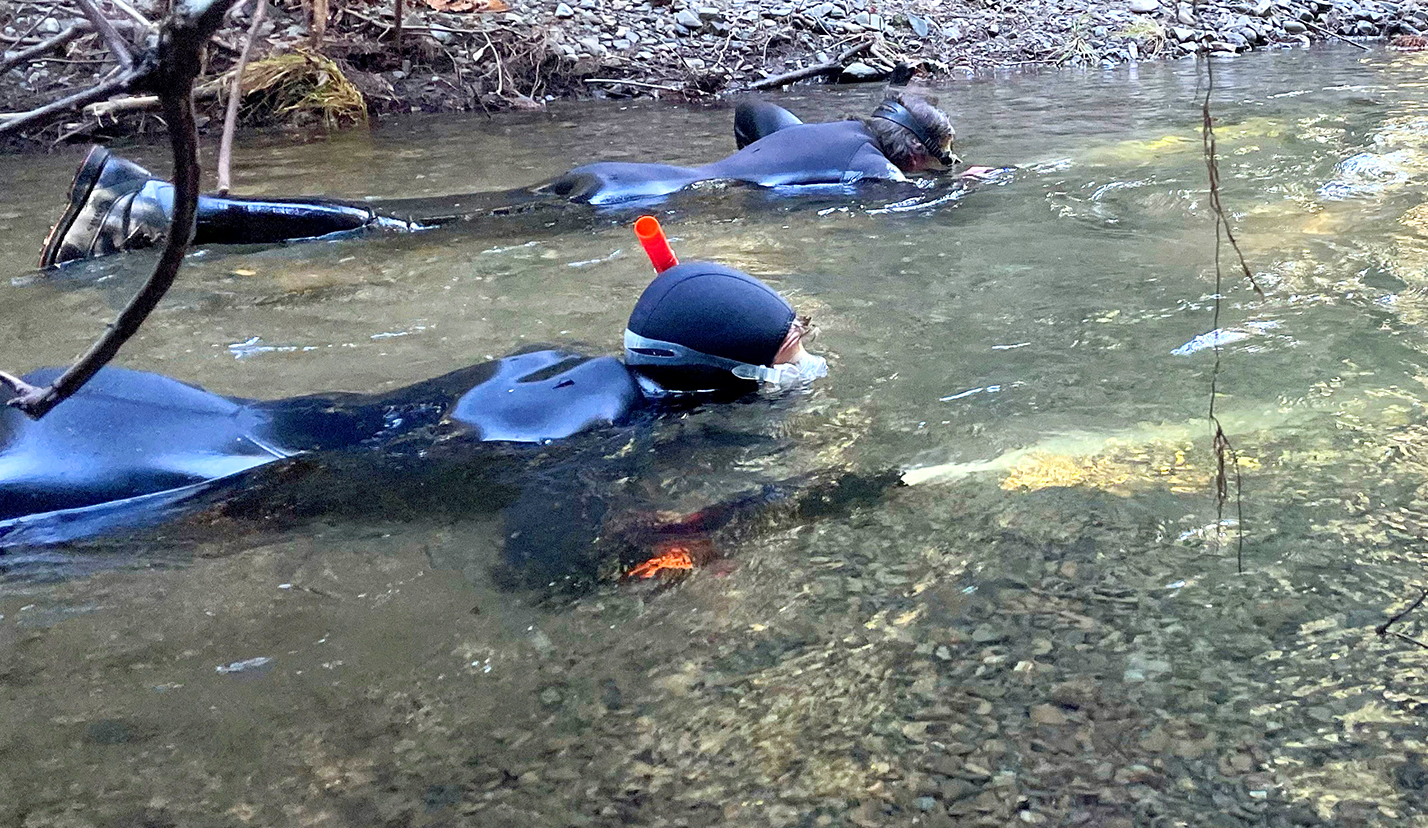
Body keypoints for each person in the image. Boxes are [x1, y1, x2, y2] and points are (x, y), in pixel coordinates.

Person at [0, 262, 835, 575]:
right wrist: (703, 534)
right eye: (791, 349)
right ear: (726, 373)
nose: (802, 359)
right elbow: (539, 568)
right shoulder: (601, 438)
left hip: (199, 411)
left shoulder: (552, 363)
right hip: (192, 485)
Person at [36, 91, 960, 268]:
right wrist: (957, 188)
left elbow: (756, 107)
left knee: (404, 216)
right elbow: (910, 202)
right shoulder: (875, 169)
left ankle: (148, 201)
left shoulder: (824, 128)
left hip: (617, 175)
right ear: (913, 153)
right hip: (636, 210)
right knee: (386, 231)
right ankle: (152, 207)